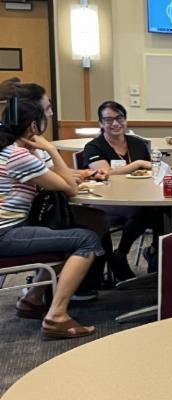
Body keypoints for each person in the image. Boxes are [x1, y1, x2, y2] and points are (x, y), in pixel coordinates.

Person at [0, 96, 100, 339]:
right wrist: (52, 149)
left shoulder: (10, 150)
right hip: (6, 234)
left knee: (81, 225)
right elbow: (70, 188)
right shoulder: (19, 156)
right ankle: (56, 316)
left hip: (12, 227)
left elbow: (58, 178)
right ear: (34, 127)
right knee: (85, 238)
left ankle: (32, 300)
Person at [80, 100, 158, 280]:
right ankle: (120, 256)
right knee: (142, 211)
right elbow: (104, 173)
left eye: (119, 118)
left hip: (140, 196)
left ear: (126, 119)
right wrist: (137, 164)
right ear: (101, 123)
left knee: (162, 211)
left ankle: (154, 252)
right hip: (107, 201)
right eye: (108, 120)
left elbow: (153, 170)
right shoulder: (94, 146)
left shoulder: (138, 144)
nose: (115, 123)